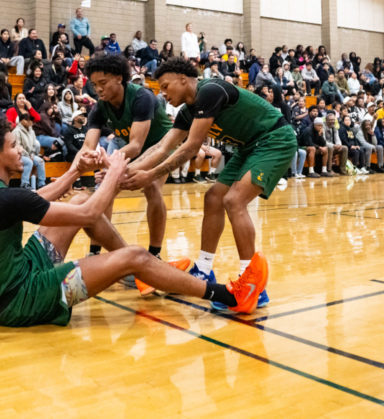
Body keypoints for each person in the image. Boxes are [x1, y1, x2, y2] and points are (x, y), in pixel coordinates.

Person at [0, 118, 266, 328]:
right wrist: (115, 173)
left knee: (77, 200)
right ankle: (229, 295)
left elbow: (37, 197)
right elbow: (90, 214)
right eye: (12, 145)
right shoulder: (4, 199)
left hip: (19, 277)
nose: (20, 148)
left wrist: (76, 170)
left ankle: (142, 276)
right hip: (24, 302)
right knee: (135, 256)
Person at [122, 58, 293, 309]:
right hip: (249, 147)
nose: (163, 93)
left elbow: (191, 147)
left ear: (183, 78)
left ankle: (253, 286)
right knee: (213, 198)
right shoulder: (187, 111)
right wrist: (125, 171)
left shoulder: (210, 90)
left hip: (275, 138)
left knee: (234, 200)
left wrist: (150, 175)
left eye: (166, 86)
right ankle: (203, 270)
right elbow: (161, 147)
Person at [78, 55, 173, 288]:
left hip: (161, 147)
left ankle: (154, 253)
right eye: (94, 84)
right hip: (131, 149)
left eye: (103, 83)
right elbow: (87, 145)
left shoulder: (142, 97)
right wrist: (83, 163)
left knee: (151, 187)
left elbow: (136, 146)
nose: (98, 89)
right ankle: (95, 253)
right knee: (105, 191)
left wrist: (109, 164)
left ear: (119, 78)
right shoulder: (100, 107)